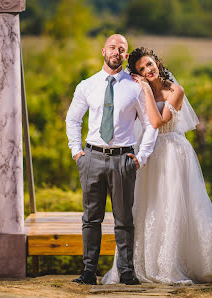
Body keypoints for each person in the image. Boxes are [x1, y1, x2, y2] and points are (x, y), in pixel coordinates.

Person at [101, 47, 212, 287]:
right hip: (148, 152)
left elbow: (157, 121)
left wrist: (144, 90)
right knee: (146, 206)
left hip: (173, 152)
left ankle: (174, 264)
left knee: (175, 206)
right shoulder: (139, 90)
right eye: (142, 69)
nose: (148, 70)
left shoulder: (175, 90)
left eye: (149, 64)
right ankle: (140, 264)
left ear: (157, 62)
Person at [66, 36, 158, 285]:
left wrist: (141, 158)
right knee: (90, 218)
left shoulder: (135, 86)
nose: (117, 52)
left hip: (123, 160)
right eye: (113, 47)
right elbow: (73, 119)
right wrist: (77, 152)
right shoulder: (87, 85)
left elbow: (151, 123)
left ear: (126, 56)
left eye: (122, 49)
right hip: (91, 158)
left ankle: (126, 271)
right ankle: (88, 272)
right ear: (103, 51)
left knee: (124, 219)